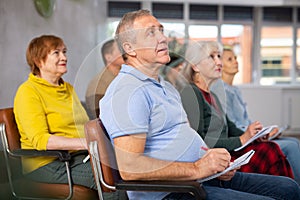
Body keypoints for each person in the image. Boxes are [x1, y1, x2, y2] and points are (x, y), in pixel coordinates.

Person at [100, 9, 300, 200]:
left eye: (161, 30)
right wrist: (197, 168)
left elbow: (186, 137)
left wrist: (212, 162)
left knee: (289, 188)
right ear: (129, 48)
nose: (162, 38)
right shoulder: (127, 91)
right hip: (172, 191)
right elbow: (130, 167)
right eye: (150, 33)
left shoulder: (164, 86)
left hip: (201, 179)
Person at [180, 40, 294, 178]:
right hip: (217, 158)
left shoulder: (213, 95)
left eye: (219, 56)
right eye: (212, 57)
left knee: (269, 147)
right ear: (195, 66)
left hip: (227, 151)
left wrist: (253, 136)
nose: (219, 62)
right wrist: (242, 139)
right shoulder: (190, 93)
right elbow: (201, 140)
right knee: (270, 150)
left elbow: (231, 128)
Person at [13, 35, 96, 190]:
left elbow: (83, 125)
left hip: (77, 157)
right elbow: (40, 140)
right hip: (47, 163)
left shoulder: (68, 88)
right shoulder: (28, 92)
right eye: (56, 53)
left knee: (122, 165)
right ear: (38, 61)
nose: (64, 57)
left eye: (64, 52)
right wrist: (85, 143)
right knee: (107, 177)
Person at [221, 47, 300, 184]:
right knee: (292, 146)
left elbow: (245, 121)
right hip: (243, 141)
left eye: (235, 58)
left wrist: (265, 132)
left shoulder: (235, 90)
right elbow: (234, 128)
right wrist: (257, 135)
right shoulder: (222, 92)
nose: (236, 61)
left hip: (251, 136)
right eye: (230, 59)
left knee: (294, 141)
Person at [85, 39, 123, 119]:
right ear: (108, 57)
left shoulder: (123, 78)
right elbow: (98, 117)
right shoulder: (98, 84)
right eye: (120, 49)